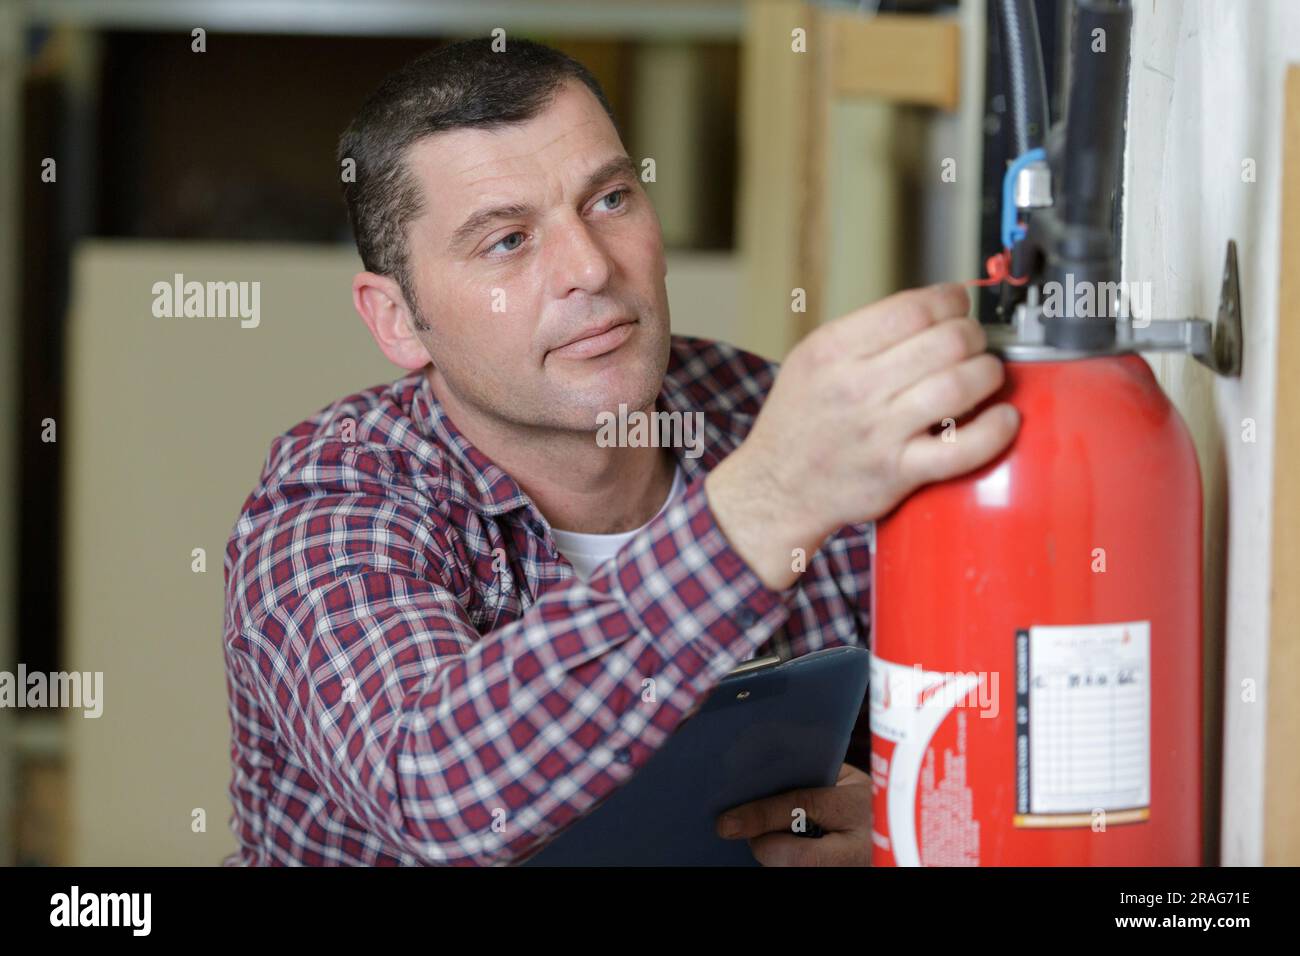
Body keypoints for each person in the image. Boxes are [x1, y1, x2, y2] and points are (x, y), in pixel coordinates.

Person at [221, 37, 1019, 867]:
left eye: (608, 200)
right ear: (396, 319)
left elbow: (1001, 733)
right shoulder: (333, 497)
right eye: (507, 241)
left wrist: (909, 828)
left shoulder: (765, 412)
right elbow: (432, 788)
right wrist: (767, 503)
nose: (590, 268)